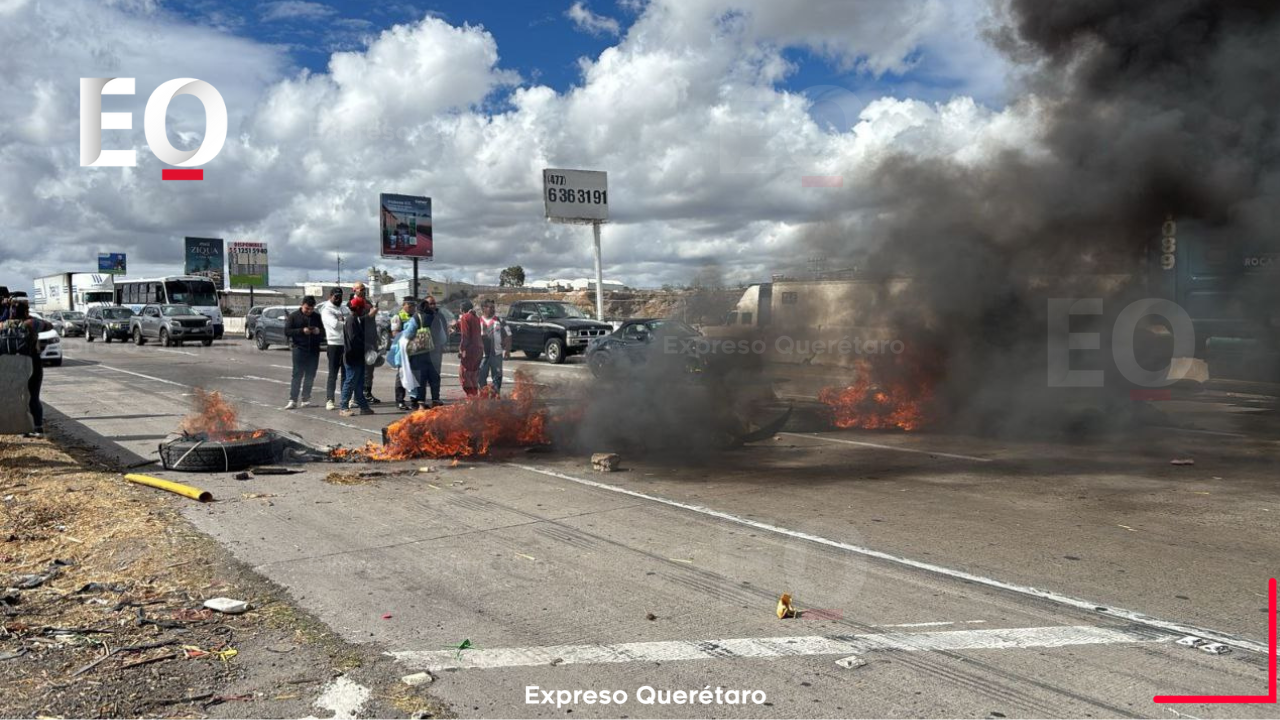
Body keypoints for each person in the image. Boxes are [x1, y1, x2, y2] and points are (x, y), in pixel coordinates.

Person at [3, 302, 52, 437]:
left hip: (11, 364)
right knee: (34, 396)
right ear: (25, 312)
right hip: (32, 362)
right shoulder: (31, 324)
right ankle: (37, 427)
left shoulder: (3, 325)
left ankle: (22, 429)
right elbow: (49, 325)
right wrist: (29, 317)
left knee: (17, 397)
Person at [283, 296, 324, 410]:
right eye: (307, 309)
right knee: (297, 374)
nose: (309, 311)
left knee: (310, 375)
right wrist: (301, 330)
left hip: (314, 350)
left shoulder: (317, 317)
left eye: (311, 309)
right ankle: (293, 400)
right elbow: (287, 331)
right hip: (299, 349)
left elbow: (324, 331)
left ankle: (306, 399)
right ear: (302, 305)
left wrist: (318, 331)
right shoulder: (294, 316)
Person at [339, 297, 374, 416]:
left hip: (358, 357)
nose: (363, 310)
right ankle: (343, 407)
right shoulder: (351, 320)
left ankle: (364, 407)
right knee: (350, 382)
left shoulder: (356, 319)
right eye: (362, 308)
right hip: (352, 357)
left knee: (359, 383)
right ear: (357, 308)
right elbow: (354, 340)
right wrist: (367, 345)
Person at [351, 281, 382, 405]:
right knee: (359, 370)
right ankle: (356, 396)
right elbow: (355, 322)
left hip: (371, 340)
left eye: (364, 289)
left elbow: (372, 322)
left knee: (370, 369)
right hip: (359, 341)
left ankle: (367, 393)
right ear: (354, 290)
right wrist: (369, 315)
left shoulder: (368, 303)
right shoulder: (352, 303)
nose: (362, 291)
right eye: (360, 289)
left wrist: (376, 339)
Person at [319, 287, 346, 411]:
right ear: (330, 296)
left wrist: (344, 321)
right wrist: (345, 322)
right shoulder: (326, 309)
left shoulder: (343, 308)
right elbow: (335, 325)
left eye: (340, 296)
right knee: (333, 374)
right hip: (334, 344)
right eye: (336, 296)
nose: (338, 298)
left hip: (345, 344)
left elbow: (351, 320)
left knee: (346, 374)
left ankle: (345, 399)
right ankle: (330, 399)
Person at [478, 299, 511, 395]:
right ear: (484, 308)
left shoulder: (500, 321)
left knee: (497, 378)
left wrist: (507, 350)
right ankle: (483, 399)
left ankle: (495, 398)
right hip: (482, 356)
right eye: (490, 307)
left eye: (493, 307)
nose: (493, 309)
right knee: (481, 377)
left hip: (496, 355)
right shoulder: (477, 322)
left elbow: (508, 335)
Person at [391, 297, 416, 411]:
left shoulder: (415, 316)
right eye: (410, 306)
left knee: (415, 374)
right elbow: (395, 333)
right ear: (404, 305)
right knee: (401, 375)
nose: (412, 308)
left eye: (413, 306)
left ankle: (414, 400)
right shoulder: (398, 316)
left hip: (415, 349)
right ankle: (400, 400)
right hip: (402, 351)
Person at [457, 300, 483, 396]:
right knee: (473, 375)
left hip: (470, 350)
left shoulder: (465, 317)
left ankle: (472, 398)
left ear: (462, 309)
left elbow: (465, 336)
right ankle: (475, 396)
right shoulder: (476, 317)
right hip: (479, 349)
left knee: (464, 375)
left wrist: (461, 349)